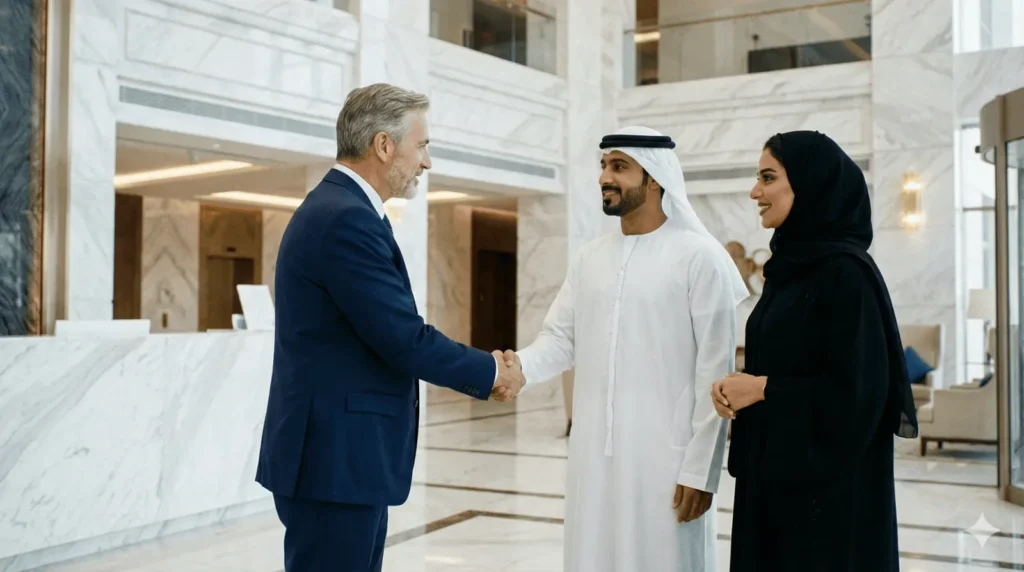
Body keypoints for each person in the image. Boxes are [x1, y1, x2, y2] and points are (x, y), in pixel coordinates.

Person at [255, 83, 525, 572]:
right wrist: (490, 372)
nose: (426, 162)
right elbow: (402, 337)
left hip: (340, 459)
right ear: (383, 145)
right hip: (334, 461)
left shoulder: (344, 210)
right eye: (422, 146)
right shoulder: (344, 219)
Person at [503, 126, 749, 571]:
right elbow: (561, 338)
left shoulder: (700, 257)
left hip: (667, 461)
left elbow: (716, 376)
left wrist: (700, 473)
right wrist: (518, 368)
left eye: (619, 167)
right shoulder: (590, 257)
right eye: (603, 166)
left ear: (653, 178)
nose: (604, 177)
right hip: (593, 457)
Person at [711, 130, 918, 571]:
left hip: (827, 506)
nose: (755, 192)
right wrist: (735, 389)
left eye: (768, 178)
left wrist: (764, 389)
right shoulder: (789, 270)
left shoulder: (847, 274)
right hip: (777, 486)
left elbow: (861, 394)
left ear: (808, 184)